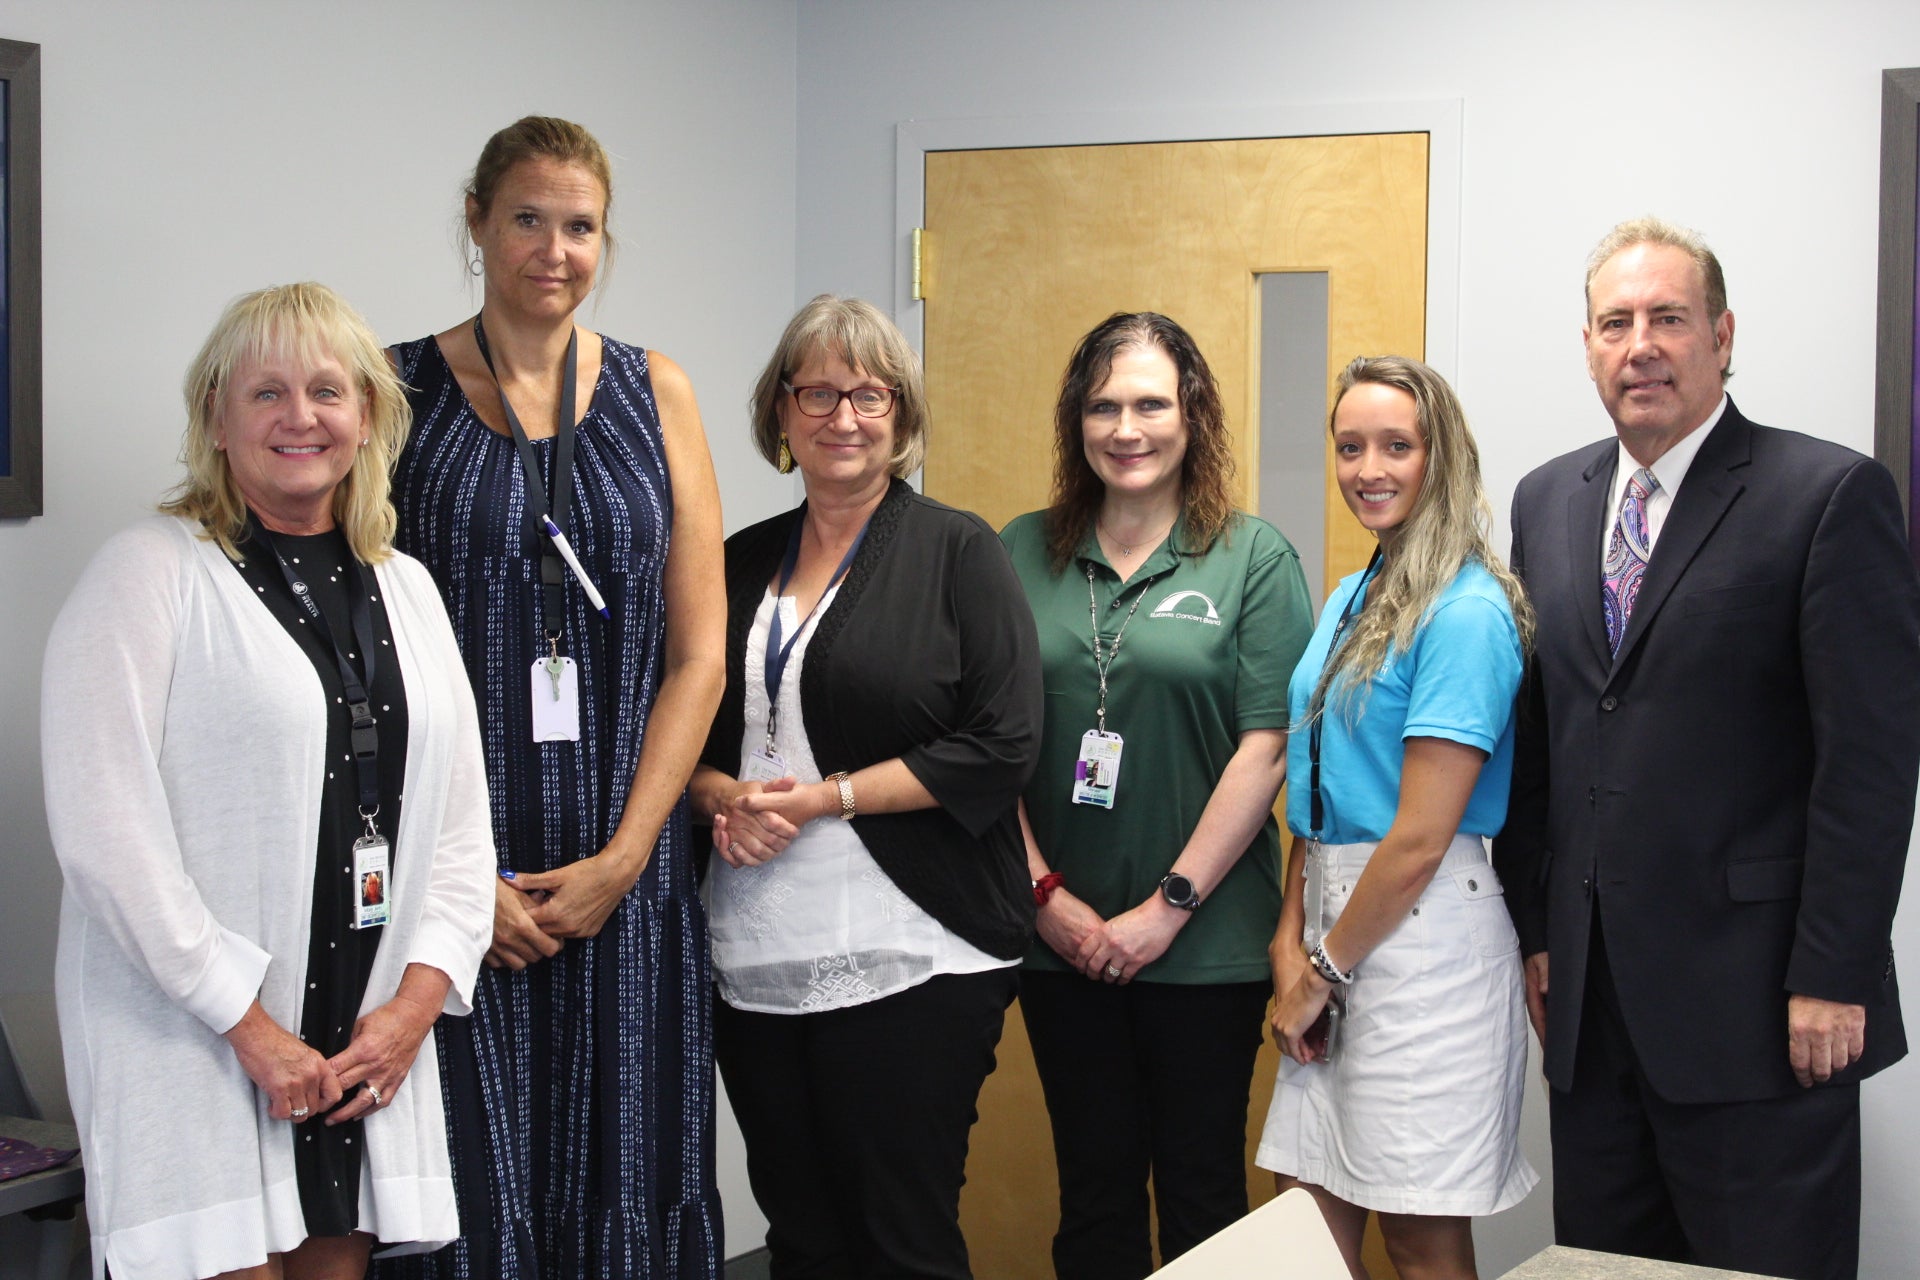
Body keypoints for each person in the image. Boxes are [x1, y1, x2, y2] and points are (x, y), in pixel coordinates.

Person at [1495, 216, 1920, 1280]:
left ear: (1722, 336)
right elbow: (1542, 741)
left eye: (1669, 318)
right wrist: (1540, 930)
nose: (1640, 343)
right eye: (1615, 322)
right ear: (1589, 345)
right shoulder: (1548, 499)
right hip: (1593, 1019)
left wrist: (1834, 970)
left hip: (1763, 1012)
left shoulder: (1825, 495)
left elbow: (1867, 763)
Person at [44, 282, 495, 1280]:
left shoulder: (408, 588)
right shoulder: (148, 573)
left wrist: (412, 1010)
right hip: (196, 1038)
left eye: (328, 390)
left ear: (368, 414)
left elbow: (462, 830)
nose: (301, 416)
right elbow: (103, 830)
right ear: (215, 415)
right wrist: (248, 1026)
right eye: (266, 393)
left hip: (355, 1044)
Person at [378, 117, 726, 1279]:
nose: (554, 248)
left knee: (625, 1169)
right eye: (527, 216)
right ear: (476, 222)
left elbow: (700, 652)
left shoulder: (654, 388)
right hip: (456, 877)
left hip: (624, 870)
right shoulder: (393, 394)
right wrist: (457, 881)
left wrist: (630, 854)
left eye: (580, 225)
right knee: (472, 1186)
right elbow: (363, 665)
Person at [692, 294, 1042, 1280]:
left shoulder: (957, 550)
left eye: (869, 392)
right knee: (802, 1237)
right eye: (817, 392)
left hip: (912, 950)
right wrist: (724, 795)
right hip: (756, 948)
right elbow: (677, 735)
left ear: (901, 411)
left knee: (900, 1239)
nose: (843, 415)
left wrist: (822, 797)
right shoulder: (737, 561)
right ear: (780, 411)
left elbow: (1003, 742)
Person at [1001, 312, 1313, 1278]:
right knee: (1091, 1195)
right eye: (1103, 406)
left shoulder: (1251, 556)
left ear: (1193, 416)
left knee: (1202, 1195)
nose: (1125, 429)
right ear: (1076, 421)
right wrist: (1046, 897)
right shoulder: (1020, 552)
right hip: (1059, 945)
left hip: (1206, 950)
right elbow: (985, 747)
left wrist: (1164, 909)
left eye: (1149, 404)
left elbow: (1268, 747)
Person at [1256, 355, 1537, 1279]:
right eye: (1349, 447)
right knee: (1309, 1230)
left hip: (1424, 945)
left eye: (1395, 446)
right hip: (1335, 922)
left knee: (1417, 1238)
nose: (1368, 468)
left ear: (1441, 455)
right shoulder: (1350, 595)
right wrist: (1288, 941)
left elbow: (1418, 837)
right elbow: (1318, 784)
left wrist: (1323, 968)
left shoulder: (1467, 609)